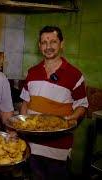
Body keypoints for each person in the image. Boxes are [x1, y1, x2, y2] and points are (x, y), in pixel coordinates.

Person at [20, 26, 88, 179]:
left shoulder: (74, 75)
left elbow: (82, 105)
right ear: (39, 46)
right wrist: (22, 128)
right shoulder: (32, 72)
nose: (48, 46)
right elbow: (25, 103)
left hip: (58, 150)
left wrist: (73, 118)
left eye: (53, 42)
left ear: (61, 44)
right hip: (32, 147)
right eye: (44, 42)